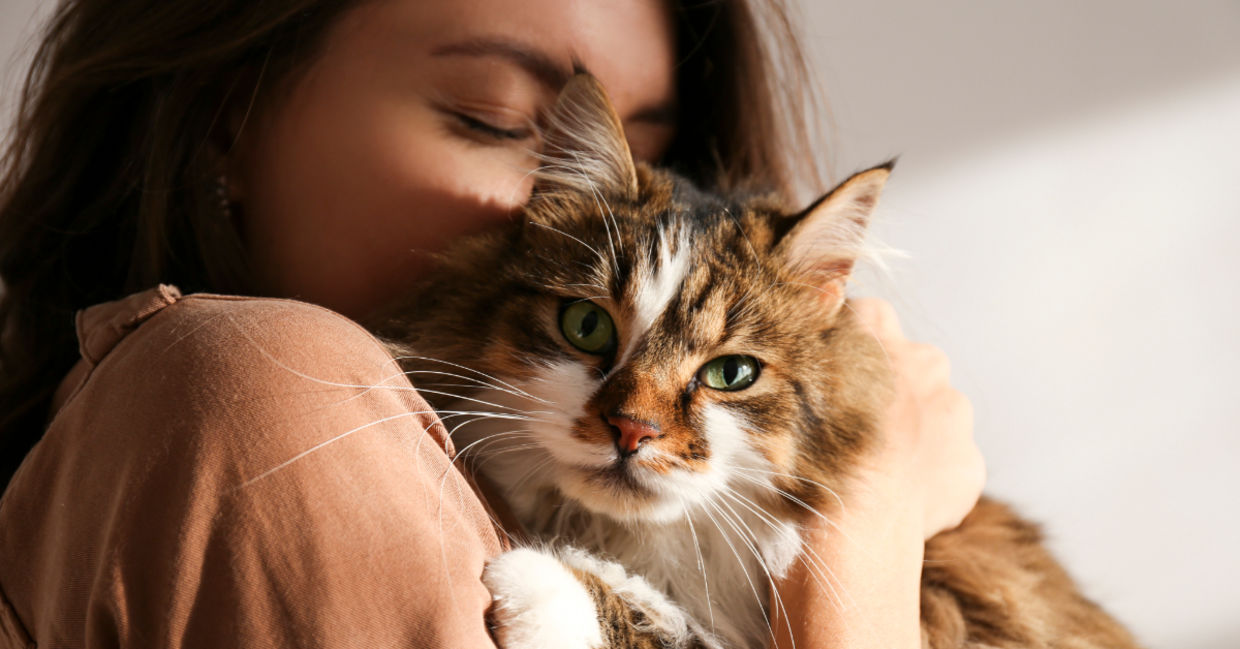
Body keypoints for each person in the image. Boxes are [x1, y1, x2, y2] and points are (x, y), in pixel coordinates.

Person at [0, 0, 984, 647]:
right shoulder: (269, 385)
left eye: (650, 153)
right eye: (502, 119)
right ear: (227, 117)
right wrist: (863, 542)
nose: (576, 210)